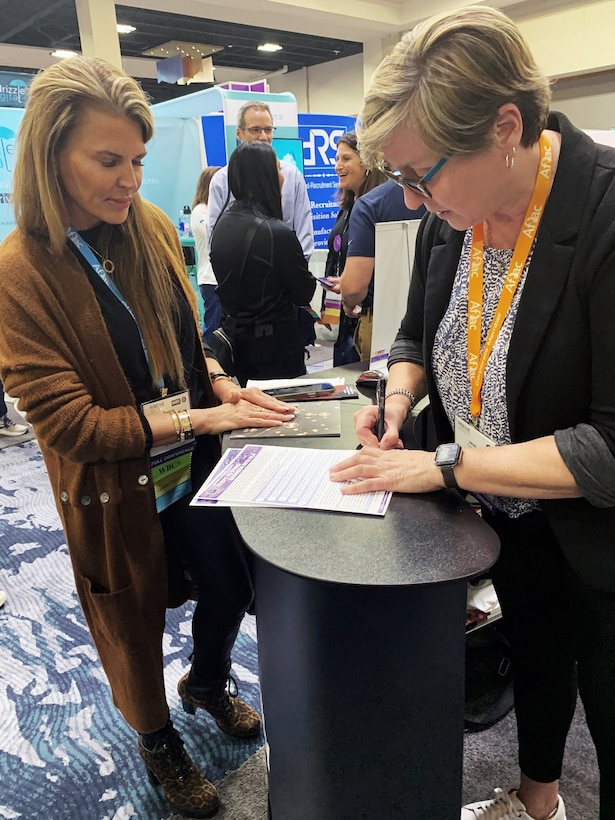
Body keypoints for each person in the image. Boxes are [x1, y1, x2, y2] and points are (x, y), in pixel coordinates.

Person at [329, 6, 615, 820]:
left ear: (504, 128)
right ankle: (536, 799)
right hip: (510, 512)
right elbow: (416, 331)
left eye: (422, 176)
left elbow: (608, 447)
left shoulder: (602, 216)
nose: (413, 201)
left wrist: (443, 463)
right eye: (400, 180)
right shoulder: (453, 216)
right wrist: (396, 400)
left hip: (599, 535)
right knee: (535, 659)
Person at [0, 56, 299, 819]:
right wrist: (200, 416)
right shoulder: (18, 272)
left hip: (190, 469)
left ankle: (204, 681)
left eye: (136, 159)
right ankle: (156, 737)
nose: (129, 179)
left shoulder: (152, 227)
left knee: (229, 585)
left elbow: (183, 340)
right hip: (112, 489)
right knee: (130, 621)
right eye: (107, 160)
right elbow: (70, 426)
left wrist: (220, 386)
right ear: (48, 155)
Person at [210, 140, 316, 386]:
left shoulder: (222, 226)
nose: (283, 177)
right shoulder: (275, 232)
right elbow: (303, 292)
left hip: (240, 345)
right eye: (278, 169)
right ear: (265, 175)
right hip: (278, 348)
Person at [207, 101, 314, 261]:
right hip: (239, 276)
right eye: (255, 130)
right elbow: (214, 235)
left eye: (268, 130)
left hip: (285, 275)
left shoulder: (291, 176)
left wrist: (294, 272)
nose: (263, 137)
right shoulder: (222, 180)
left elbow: (304, 230)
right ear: (239, 133)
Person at [339, 179, 425, 362]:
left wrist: (348, 302)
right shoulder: (451, 195)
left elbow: (354, 287)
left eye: (346, 158)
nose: (338, 166)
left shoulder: (370, 204)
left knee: (383, 385)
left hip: (382, 322)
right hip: (441, 316)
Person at [321, 131, 387, 366]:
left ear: (366, 162)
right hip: (345, 312)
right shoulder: (348, 208)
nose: (338, 166)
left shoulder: (376, 208)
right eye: (337, 159)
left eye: (346, 159)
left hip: (367, 312)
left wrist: (352, 291)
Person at [191, 166, 222, 342]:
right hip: (211, 280)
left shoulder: (219, 210)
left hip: (223, 279)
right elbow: (214, 234)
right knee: (213, 327)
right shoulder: (200, 211)